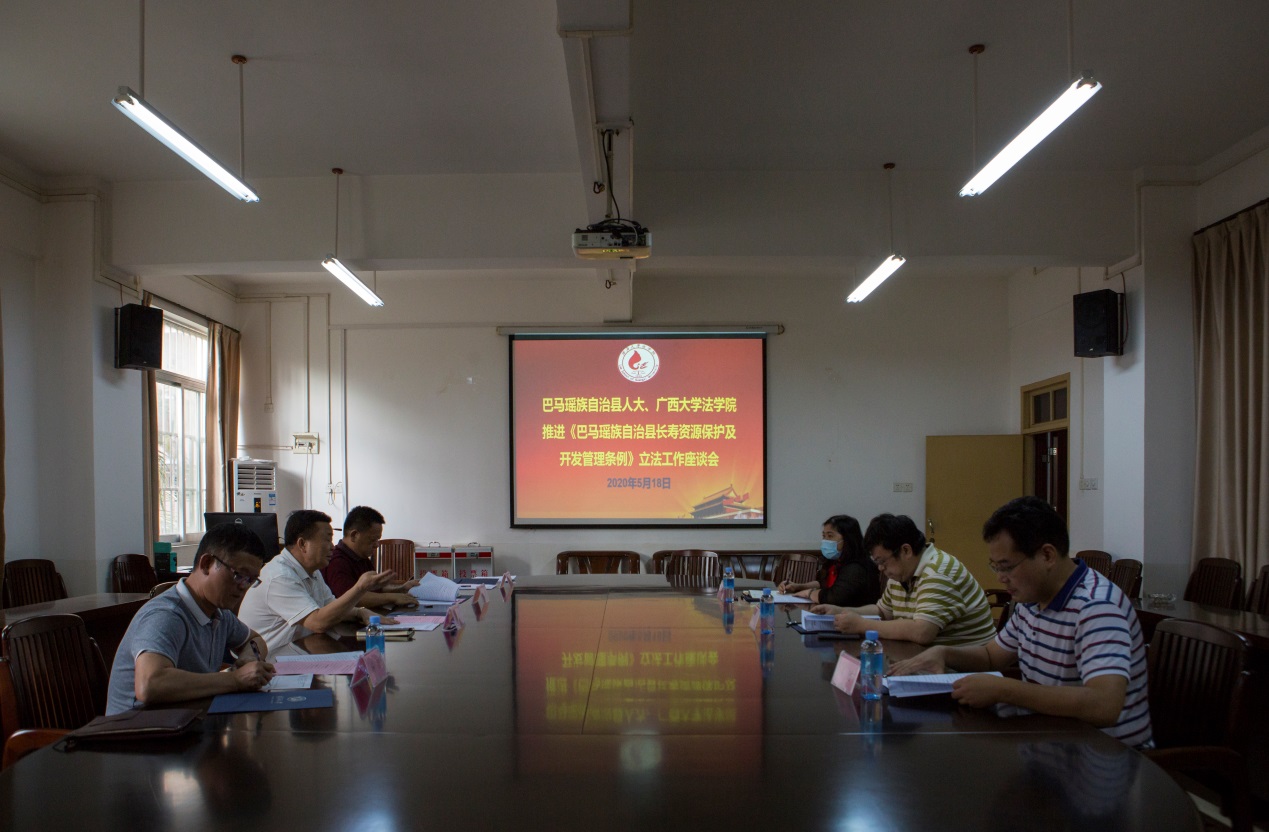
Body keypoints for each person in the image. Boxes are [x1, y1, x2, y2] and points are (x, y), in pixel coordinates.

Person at [887, 496, 1152, 747]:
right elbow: (991, 657)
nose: (1000, 578)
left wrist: (1006, 690)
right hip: (1048, 740)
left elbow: (1104, 705)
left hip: (1104, 756)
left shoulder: (1096, 606)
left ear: (1047, 556)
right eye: (995, 567)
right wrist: (943, 653)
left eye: (1007, 566)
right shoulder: (1032, 599)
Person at [106, 523, 275, 714]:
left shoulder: (219, 613)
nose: (244, 586)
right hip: (136, 727)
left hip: (182, 718)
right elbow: (150, 684)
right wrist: (235, 679)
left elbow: (254, 639)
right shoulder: (166, 615)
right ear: (206, 564)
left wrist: (248, 658)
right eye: (239, 575)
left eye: (251, 580)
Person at [810, 513, 996, 645]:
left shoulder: (938, 571)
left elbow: (922, 632)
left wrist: (862, 625)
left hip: (962, 670)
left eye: (882, 561)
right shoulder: (902, 572)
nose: (881, 568)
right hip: (924, 658)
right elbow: (883, 611)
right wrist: (840, 611)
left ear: (905, 550)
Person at [238, 509, 398, 654]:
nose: (332, 547)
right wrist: (360, 588)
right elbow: (318, 623)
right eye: (327, 540)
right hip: (269, 661)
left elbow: (330, 606)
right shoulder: (280, 577)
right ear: (302, 544)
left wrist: (360, 612)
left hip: (299, 652)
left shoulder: (312, 571)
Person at [321, 505, 419, 607]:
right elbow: (350, 599)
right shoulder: (336, 561)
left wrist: (402, 588)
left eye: (378, 539)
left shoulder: (361, 557)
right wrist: (392, 598)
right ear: (354, 535)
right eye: (372, 540)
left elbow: (374, 589)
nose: (377, 545)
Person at [777, 514, 880, 607]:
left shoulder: (856, 567)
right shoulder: (837, 561)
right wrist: (798, 587)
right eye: (824, 536)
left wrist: (808, 593)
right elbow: (824, 583)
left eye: (830, 536)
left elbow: (833, 597)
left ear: (848, 539)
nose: (825, 541)